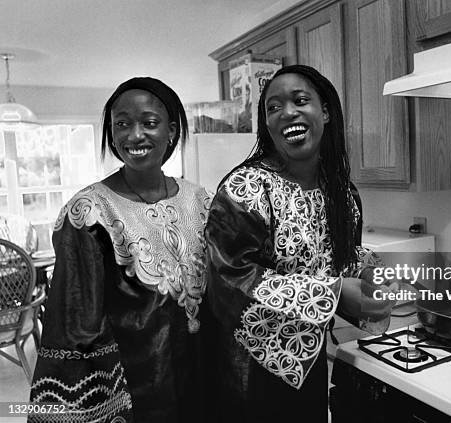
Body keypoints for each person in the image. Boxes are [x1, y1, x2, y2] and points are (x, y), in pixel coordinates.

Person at [204, 65, 397, 422]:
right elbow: (226, 282)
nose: (286, 112)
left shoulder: (342, 193)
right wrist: (335, 292)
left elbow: (340, 259)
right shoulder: (246, 189)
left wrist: (370, 280)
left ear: (324, 111)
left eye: (299, 100)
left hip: (308, 367)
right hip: (247, 374)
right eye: (273, 107)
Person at [29, 77, 212, 423]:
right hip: (135, 396)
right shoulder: (90, 212)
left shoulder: (199, 200)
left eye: (149, 123)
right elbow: (77, 328)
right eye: (122, 124)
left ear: (171, 130)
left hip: (202, 383)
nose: (134, 135)